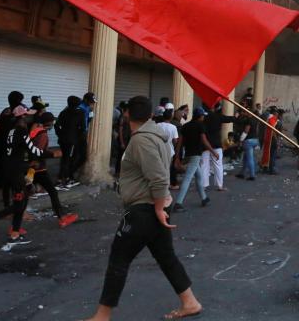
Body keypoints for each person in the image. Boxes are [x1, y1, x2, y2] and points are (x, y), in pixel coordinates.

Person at [81, 96, 201, 321]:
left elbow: (158, 177)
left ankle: (102, 316)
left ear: (127, 115)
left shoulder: (142, 140)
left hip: (143, 210)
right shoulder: (156, 136)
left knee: (119, 259)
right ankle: (190, 302)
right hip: (153, 207)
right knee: (166, 257)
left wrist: (157, 207)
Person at [0, 105, 42, 244]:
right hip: (16, 172)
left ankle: (15, 233)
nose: (30, 117)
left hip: (12, 169)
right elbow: (33, 150)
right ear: (23, 117)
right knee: (18, 204)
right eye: (28, 115)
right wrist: (52, 153)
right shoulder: (21, 131)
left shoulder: (11, 130)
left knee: (21, 202)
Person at [28, 112, 79, 228]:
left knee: (25, 193)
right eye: (52, 122)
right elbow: (39, 152)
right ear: (49, 122)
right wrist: (54, 154)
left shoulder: (35, 130)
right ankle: (62, 218)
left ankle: (15, 224)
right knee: (53, 192)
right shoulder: (43, 134)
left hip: (31, 168)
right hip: (39, 169)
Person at [173, 107, 215, 210]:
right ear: (200, 116)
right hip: (195, 155)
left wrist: (177, 157)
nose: (204, 117)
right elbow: (204, 141)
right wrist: (213, 152)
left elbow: (179, 143)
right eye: (203, 116)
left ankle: (204, 198)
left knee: (199, 177)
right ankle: (178, 203)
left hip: (188, 154)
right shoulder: (200, 126)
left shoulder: (186, 126)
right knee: (187, 178)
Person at [55, 96, 86, 188]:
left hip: (63, 140)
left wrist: (60, 135)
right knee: (70, 159)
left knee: (64, 159)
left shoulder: (63, 112)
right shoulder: (80, 113)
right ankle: (67, 179)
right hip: (73, 141)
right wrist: (77, 137)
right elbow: (83, 128)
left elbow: (56, 125)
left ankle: (61, 179)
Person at [235, 110, 260, 181]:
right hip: (255, 139)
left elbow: (246, 131)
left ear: (249, 113)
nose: (245, 113)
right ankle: (242, 173)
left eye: (246, 112)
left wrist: (241, 140)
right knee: (245, 158)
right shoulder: (255, 120)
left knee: (250, 158)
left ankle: (252, 175)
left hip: (249, 141)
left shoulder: (249, 120)